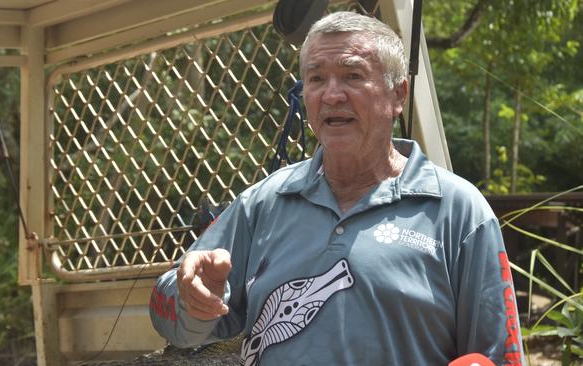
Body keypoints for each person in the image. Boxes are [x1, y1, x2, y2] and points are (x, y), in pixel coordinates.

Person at [150, 11, 524, 365]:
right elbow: (168, 318)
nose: (331, 95)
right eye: (316, 79)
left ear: (398, 95)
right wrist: (191, 300)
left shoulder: (457, 211)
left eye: (352, 76)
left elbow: (497, 353)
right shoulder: (264, 201)